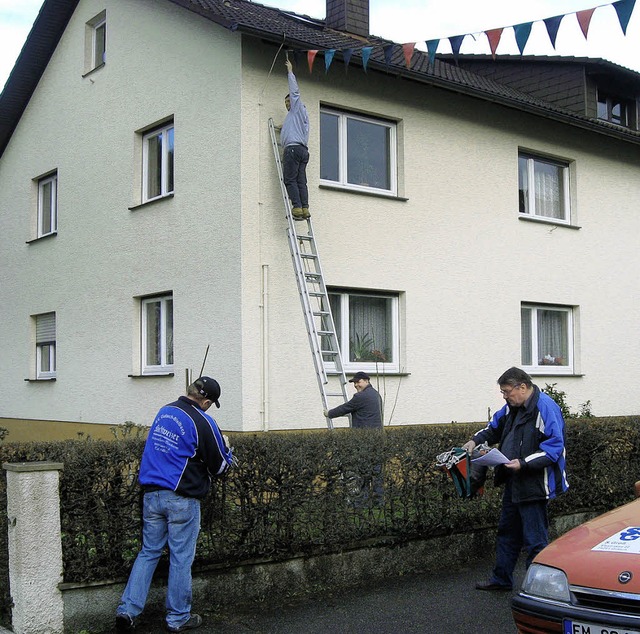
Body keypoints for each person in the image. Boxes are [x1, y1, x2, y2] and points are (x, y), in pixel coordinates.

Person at [115, 376, 234, 632]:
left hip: (151, 495)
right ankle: (178, 617)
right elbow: (220, 467)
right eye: (211, 403)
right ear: (206, 401)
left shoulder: (165, 410)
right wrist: (228, 451)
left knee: (149, 552)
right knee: (181, 558)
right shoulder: (203, 421)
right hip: (181, 499)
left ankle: (127, 610)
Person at [462, 367, 568, 592]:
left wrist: (524, 463)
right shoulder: (512, 407)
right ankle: (501, 579)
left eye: (507, 391)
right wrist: (475, 440)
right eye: (503, 392)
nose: (504, 396)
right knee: (507, 532)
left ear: (522, 387)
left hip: (535, 484)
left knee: (535, 540)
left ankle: (539, 589)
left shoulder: (546, 408)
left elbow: (554, 448)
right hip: (514, 481)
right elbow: (493, 428)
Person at [281, 57, 310, 221]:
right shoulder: (300, 116)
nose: (287, 105)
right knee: (300, 181)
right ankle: (305, 208)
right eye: (285, 103)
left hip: (292, 150)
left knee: (290, 179)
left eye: (288, 102)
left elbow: (295, 92)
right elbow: (292, 129)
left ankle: (297, 208)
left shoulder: (297, 108)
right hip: (303, 151)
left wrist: (290, 71)